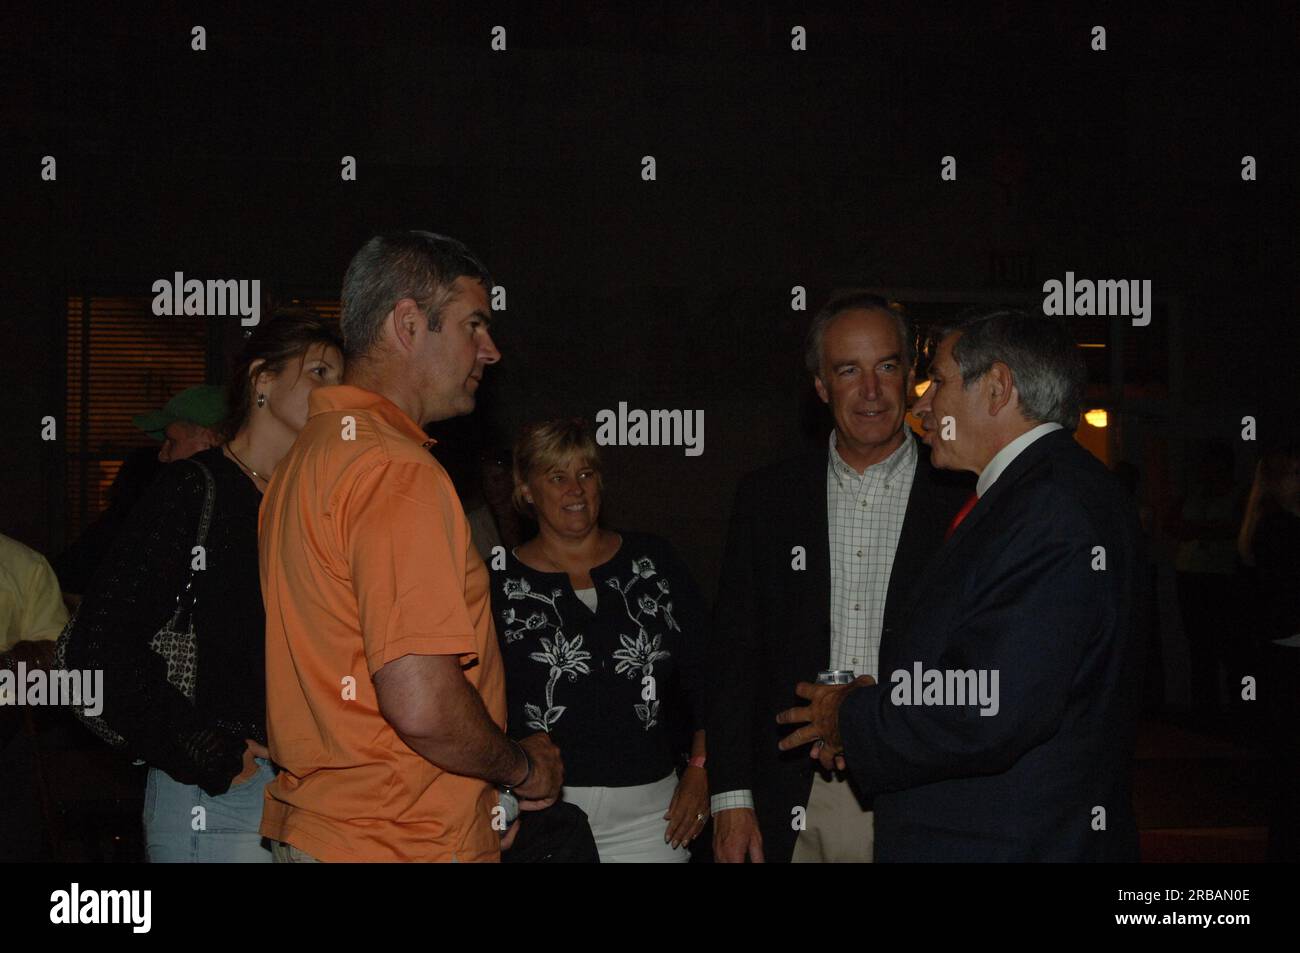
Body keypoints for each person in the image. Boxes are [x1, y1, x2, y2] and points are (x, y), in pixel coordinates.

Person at [778, 308, 1144, 862]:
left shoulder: (1048, 508)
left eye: (940, 383)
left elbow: (990, 705)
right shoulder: (1046, 493)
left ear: (997, 387)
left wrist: (851, 716)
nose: (921, 405)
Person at [258, 230, 562, 863]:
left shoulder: (307, 458)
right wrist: (521, 769)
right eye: (473, 326)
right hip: (398, 842)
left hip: (331, 828)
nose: (490, 351)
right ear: (407, 323)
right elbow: (422, 704)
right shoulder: (396, 470)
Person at [64, 310, 344, 862]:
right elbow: (95, 648)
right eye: (319, 372)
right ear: (262, 378)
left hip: (310, 793)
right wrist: (206, 749)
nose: (335, 394)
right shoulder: (195, 488)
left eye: (343, 381)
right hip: (218, 798)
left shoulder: (311, 501)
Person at [707, 292, 971, 863]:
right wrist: (730, 796)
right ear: (821, 386)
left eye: (887, 366)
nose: (871, 391)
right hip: (790, 795)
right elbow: (733, 656)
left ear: (910, 376)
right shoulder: (767, 499)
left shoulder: (961, 497)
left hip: (920, 792)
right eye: (849, 370)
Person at [490, 417, 708, 862]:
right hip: (542, 823)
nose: (576, 489)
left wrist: (703, 770)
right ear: (526, 489)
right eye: (557, 476)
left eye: (585, 474)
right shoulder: (493, 580)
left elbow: (711, 675)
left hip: (656, 819)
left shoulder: (654, 561)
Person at [54, 385, 227, 598]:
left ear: (209, 439)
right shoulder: (173, 510)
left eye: (172, 442)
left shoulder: (230, 514)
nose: (162, 456)